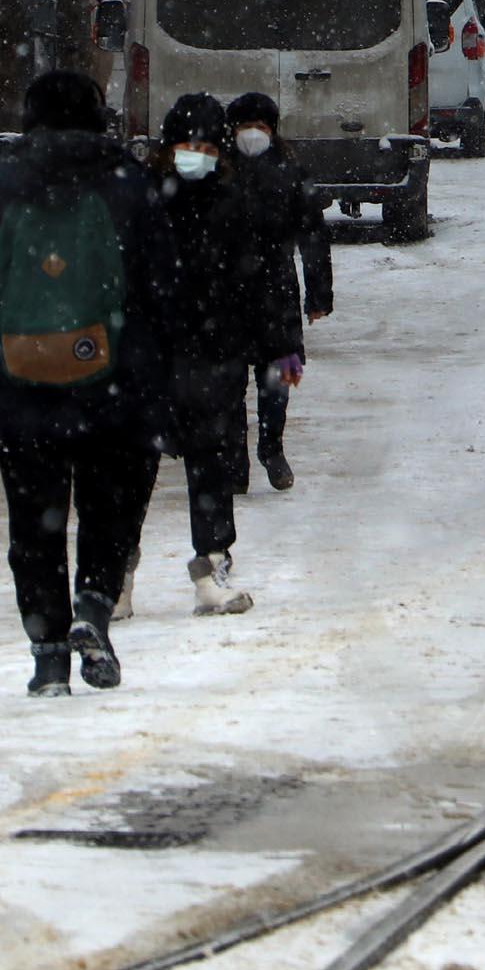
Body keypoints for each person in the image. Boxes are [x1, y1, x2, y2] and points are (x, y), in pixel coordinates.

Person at [0, 70, 174, 696]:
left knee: (34, 523)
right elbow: (160, 285)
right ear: (97, 116)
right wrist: (142, 361)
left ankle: (47, 655)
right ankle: (95, 608)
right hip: (115, 389)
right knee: (112, 505)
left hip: (20, 389)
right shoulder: (130, 183)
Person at [151, 92, 292, 615]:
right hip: (153, 360)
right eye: (186, 144)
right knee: (135, 470)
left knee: (210, 464)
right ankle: (118, 577)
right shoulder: (143, 201)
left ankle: (212, 562)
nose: (196, 153)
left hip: (214, 357)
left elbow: (264, 281)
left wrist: (279, 345)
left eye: (206, 144)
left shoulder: (235, 205)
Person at [224, 92, 331, 492]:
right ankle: (234, 461)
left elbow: (314, 235)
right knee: (228, 385)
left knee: (282, 377)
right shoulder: (218, 171)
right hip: (226, 296)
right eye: (245, 127)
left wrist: (319, 294)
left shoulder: (290, 170)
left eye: (262, 127)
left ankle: (273, 448)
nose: (253, 135)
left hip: (277, 293)